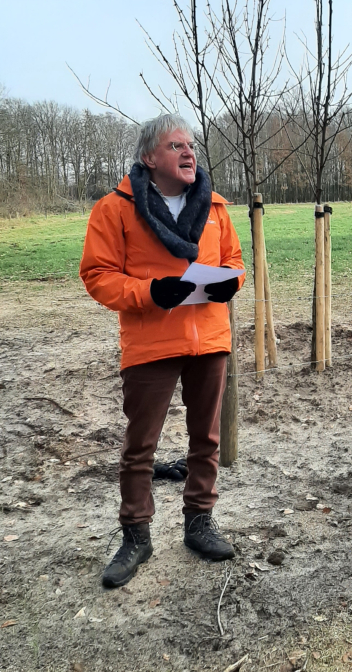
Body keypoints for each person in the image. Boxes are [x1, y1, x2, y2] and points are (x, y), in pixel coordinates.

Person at [80, 114, 244, 588]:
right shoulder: (114, 209)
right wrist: (151, 293)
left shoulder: (213, 208)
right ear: (150, 157)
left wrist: (230, 284)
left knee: (206, 439)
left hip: (208, 339)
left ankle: (200, 523)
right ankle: (136, 535)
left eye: (191, 145)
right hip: (150, 344)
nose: (189, 152)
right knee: (140, 447)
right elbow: (98, 275)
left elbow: (234, 261)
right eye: (176, 146)